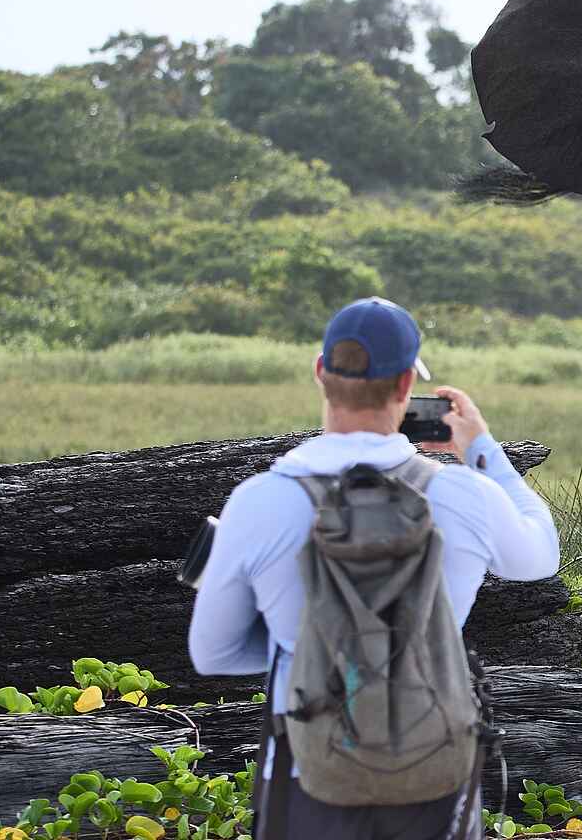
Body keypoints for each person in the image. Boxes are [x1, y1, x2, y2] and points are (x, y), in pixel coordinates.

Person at [189, 296, 560, 839]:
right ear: (408, 384)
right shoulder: (463, 496)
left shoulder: (260, 501)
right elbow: (541, 556)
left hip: (306, 773)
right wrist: (481, 449)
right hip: (432, 766)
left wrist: (308, 645)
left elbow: (212, 652)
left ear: (320, 373)